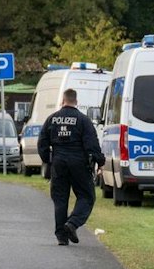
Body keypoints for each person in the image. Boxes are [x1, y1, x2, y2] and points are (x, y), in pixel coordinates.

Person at [38, 86, 104, 246]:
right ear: (76, 102)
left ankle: (61, 236)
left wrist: (48, 160)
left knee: (60, 199)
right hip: (79, 163)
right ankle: (72, 224)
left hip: (59, 161)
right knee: (86, 196)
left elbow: (42, 143)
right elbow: (92, 144)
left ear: (62, 100)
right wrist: (100, 161)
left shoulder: (52, 119)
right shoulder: (83, 120)